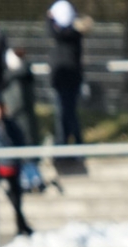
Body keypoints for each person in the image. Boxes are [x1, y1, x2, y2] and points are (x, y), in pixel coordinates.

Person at [0, 98, 30, 234]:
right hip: (0, 168)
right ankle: (22, 227)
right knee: (12, 199)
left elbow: (20, 140)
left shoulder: (11, 124)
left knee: (17, 199)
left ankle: (22, 227)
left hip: (14, 166)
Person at [46, 1, 88, 149]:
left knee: (66, 114)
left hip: (67, 79)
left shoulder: (70, 34)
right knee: (66, 113)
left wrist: (49, 19)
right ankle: (69, 143)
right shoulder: (73, 34)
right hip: (64, 79)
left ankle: (69, 144)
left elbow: (54, 33)